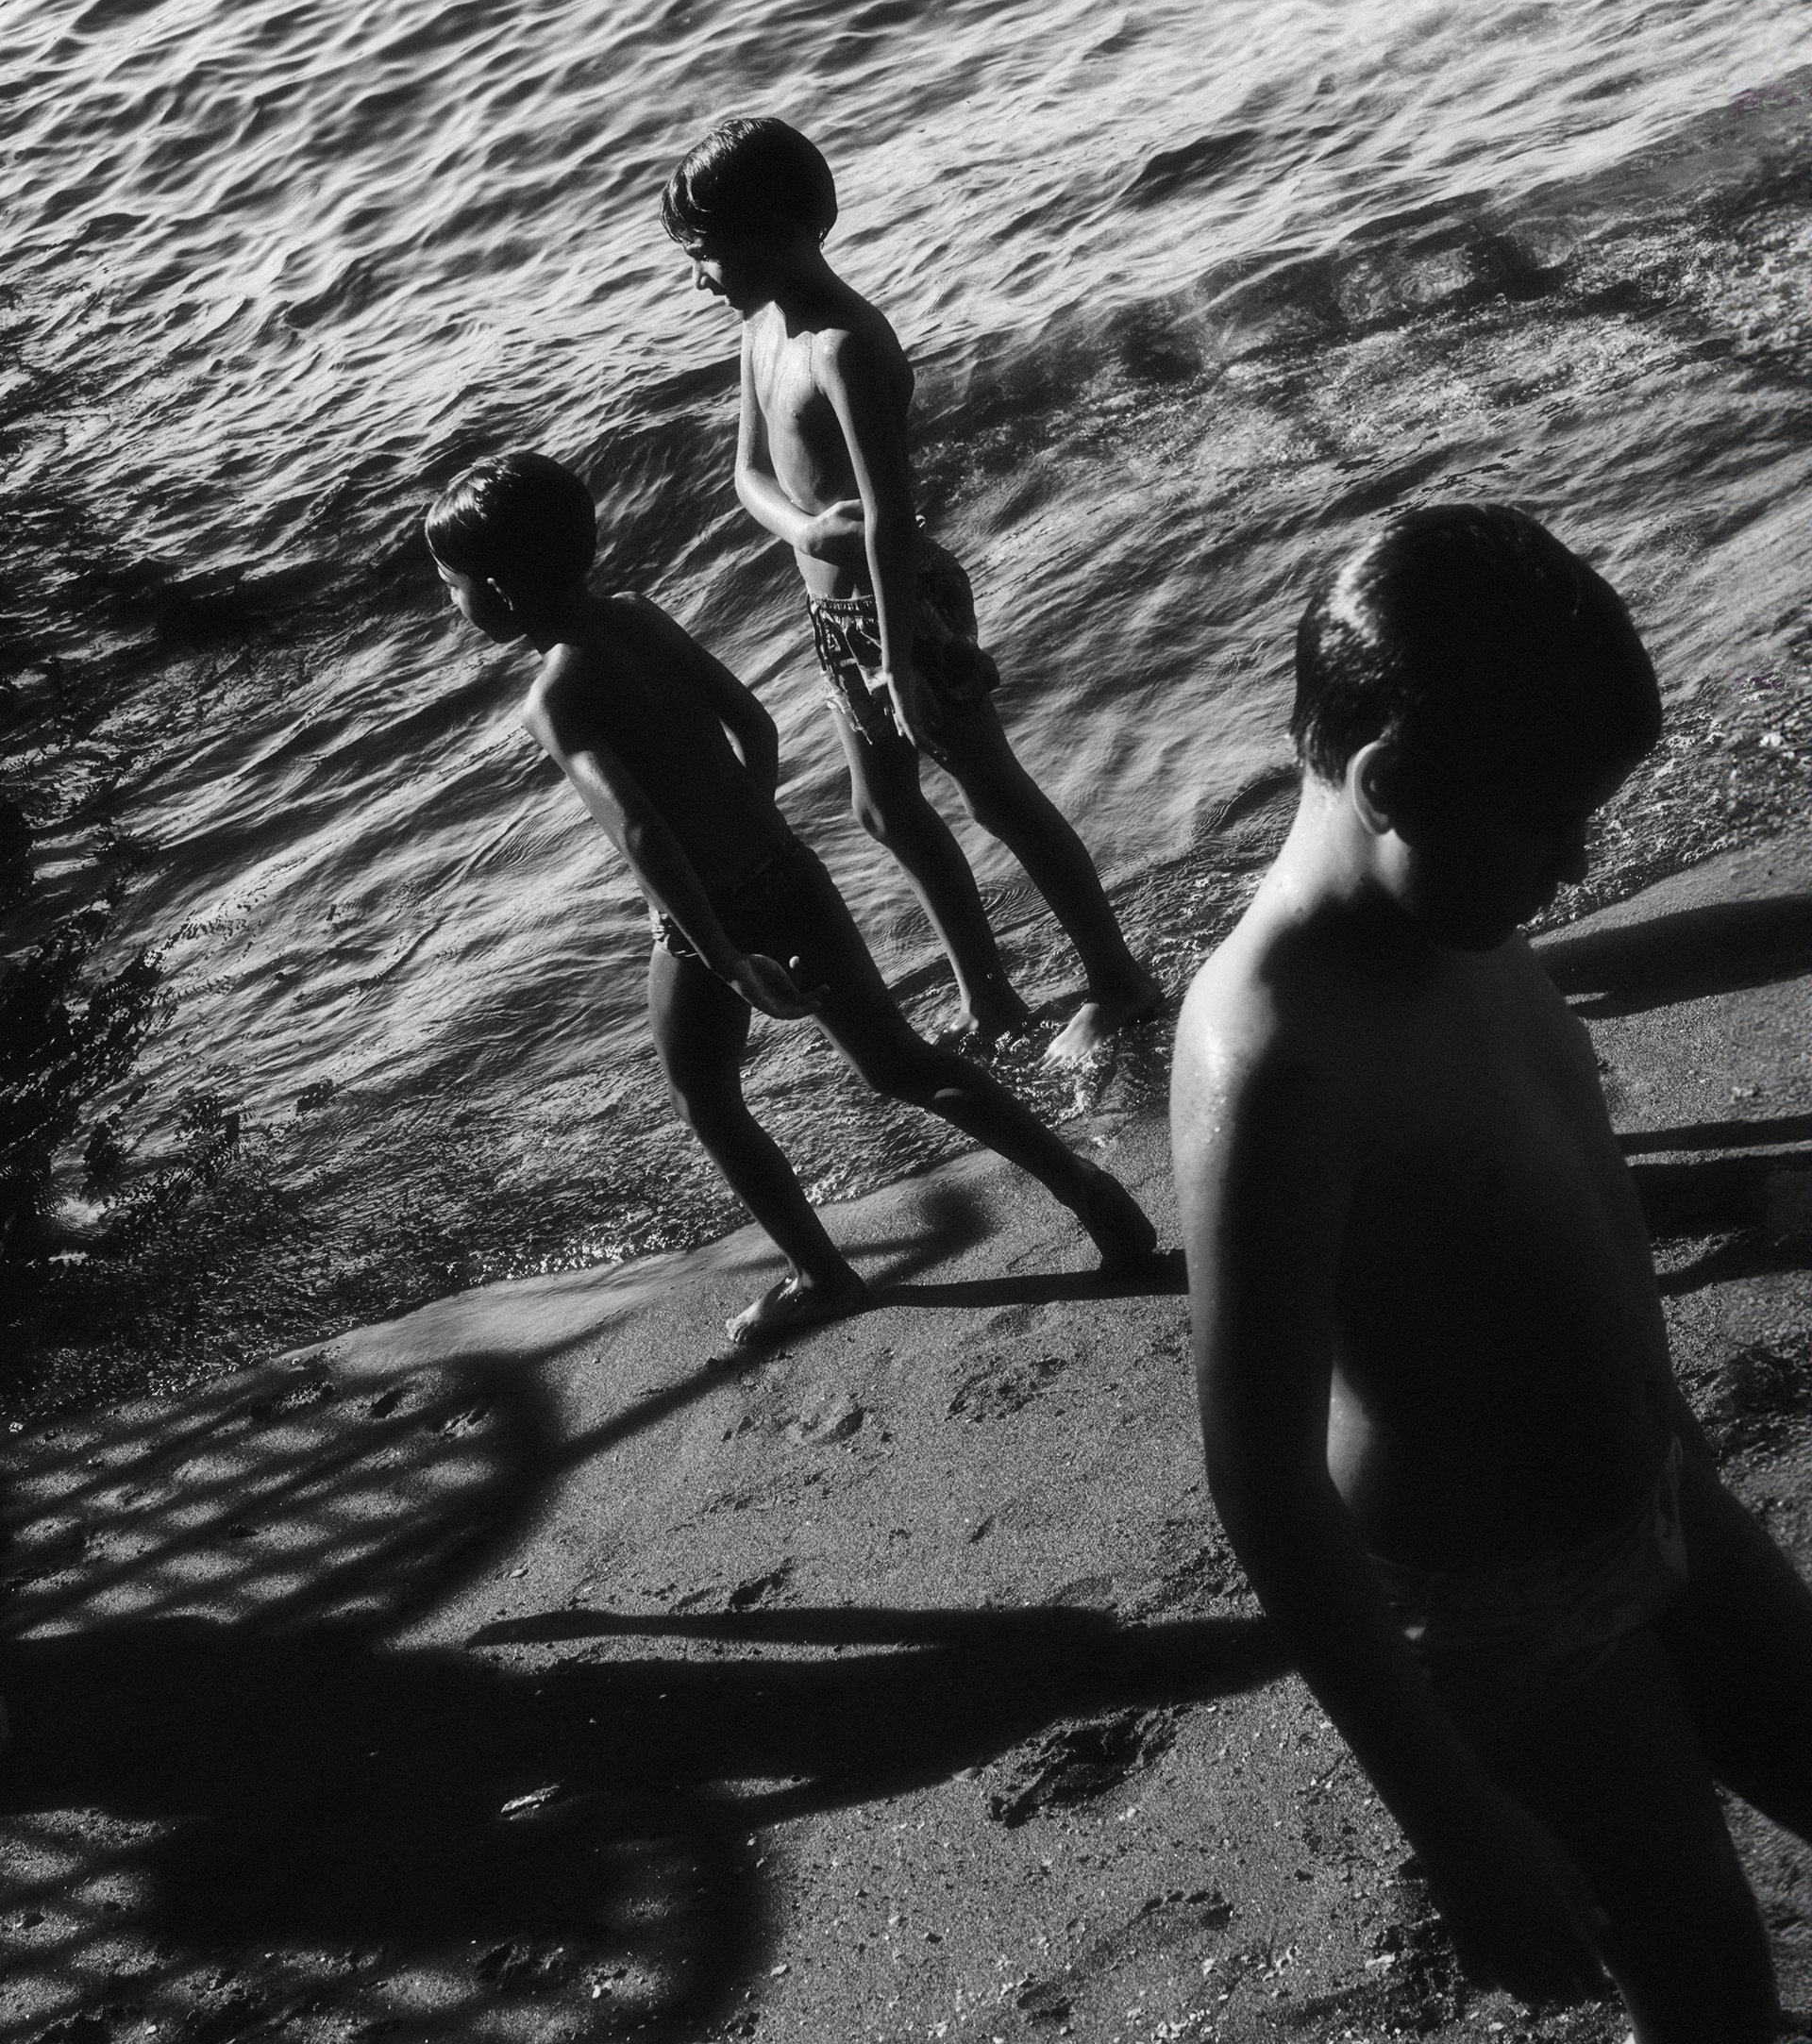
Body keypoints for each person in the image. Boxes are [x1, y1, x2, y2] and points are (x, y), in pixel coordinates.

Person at [1169, 503, 1812, 2038]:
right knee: (1706, 1979)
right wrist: (1454, 1820)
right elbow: (1262, 1475)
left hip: (1665, 1488)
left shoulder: (1467, 915)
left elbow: (1538, 1200)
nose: (1577, 866)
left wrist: (1684, 1441)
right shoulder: (1279, 1057)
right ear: (1389, 784)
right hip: (1513, 1614)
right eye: (1545, 825)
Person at [425, 452, 1156, 1344]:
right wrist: (753, 825)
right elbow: (756, 724)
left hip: (706, 918)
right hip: (787, 867)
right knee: (903, 1063)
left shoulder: (554, 695)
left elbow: (644, 835)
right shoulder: (640, 614)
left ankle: (822, 1276)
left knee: (704, 1097)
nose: (451, 600)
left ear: (500, 590)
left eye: (452, 582)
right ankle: (1086, 1189)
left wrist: (726, 955)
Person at [659, 116, 1162, 1062]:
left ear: (776, 232)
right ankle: (990, 1001)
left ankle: (1118, 980)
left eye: (704, 254)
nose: (698, 279)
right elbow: (747, 475)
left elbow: (890, 518)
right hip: (836, 610)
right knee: (883, 810)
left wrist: (899, 663)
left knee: (993, 794)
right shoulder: (762, 332)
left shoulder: (847, 347)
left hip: (905, 606)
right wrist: (805, 530)